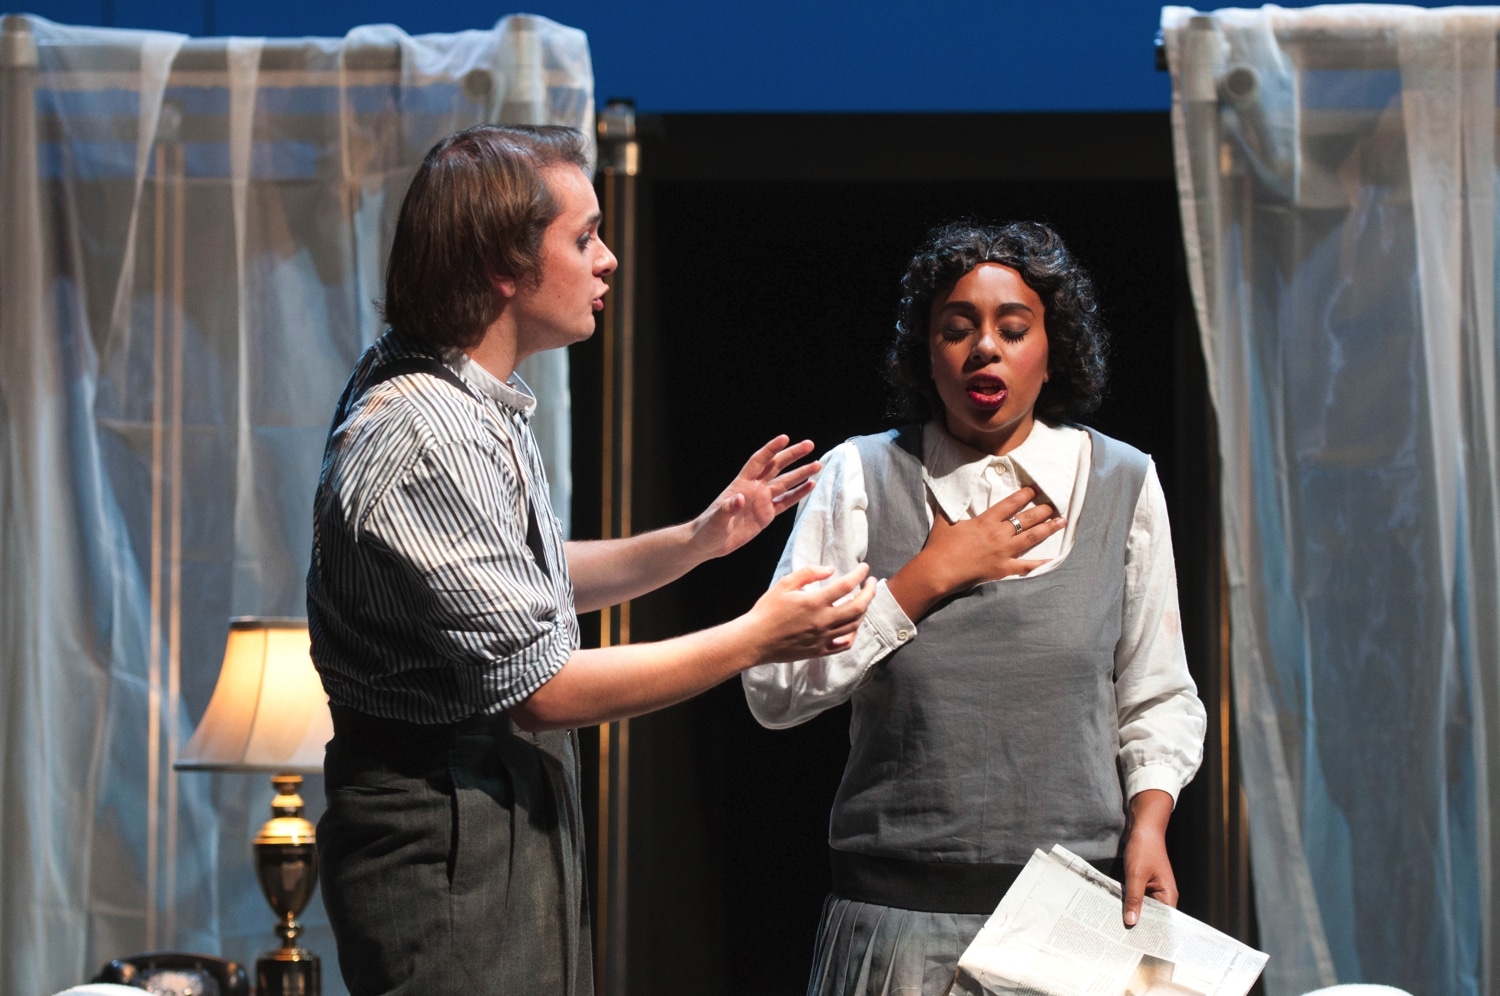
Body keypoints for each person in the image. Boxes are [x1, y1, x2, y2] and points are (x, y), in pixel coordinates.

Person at [306, 124, 876, 996]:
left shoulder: (465, 397)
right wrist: (756, 637)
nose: (607, 260)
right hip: (448, 823)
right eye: (583, 239)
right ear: (502, 265)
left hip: (488, 801)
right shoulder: (426, 434)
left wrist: (699, 540)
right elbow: (544, 692)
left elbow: (513, 584)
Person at [742, 221, 1207, 995]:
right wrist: (921, 580)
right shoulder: (862, 474)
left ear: (1052, 350)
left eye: (1013, 329)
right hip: (898, 917)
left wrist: (1150, 824)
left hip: (1071, 921)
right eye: (956, 329)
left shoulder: (1123, 482)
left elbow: (1157, 691)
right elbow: (774, 691)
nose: (984, 347)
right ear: (927, 354)